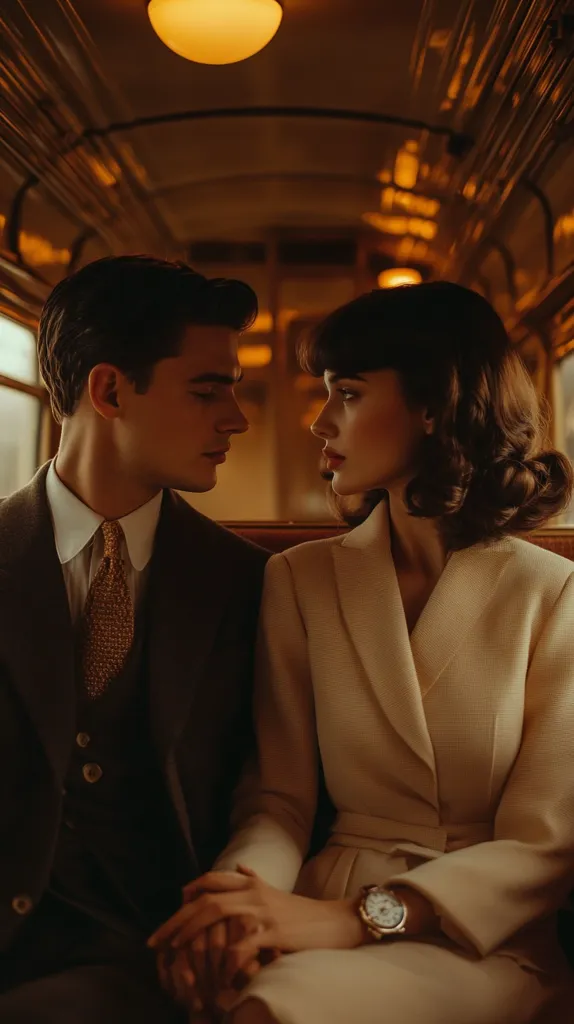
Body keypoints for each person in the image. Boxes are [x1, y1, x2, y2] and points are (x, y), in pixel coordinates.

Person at [151, 281, 574, 1024]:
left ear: (435, 406)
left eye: (346, 393)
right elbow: (280, 799)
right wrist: (238, 901)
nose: (320, 422)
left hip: (480, 935)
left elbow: (545, 845)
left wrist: (360, 918)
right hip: (315, 905)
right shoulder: (302, 578)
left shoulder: (553, 595)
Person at [0, 255, 269, 1023]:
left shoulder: (251, 587)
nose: (235, 418)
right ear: (111, 390)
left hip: (147, 954)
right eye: (208, 389)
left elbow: (276, 792)